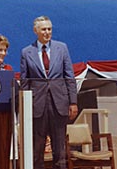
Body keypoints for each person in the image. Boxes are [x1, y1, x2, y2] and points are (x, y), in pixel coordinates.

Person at [20, 16, 78, 169]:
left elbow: (69, 76)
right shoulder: (27, 52)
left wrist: (73, 102)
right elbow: (25, 82)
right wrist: (25, 107)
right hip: (37, 106)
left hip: (59, 104)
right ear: (36, 31)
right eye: (44, 29)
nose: (47, 32)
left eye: (49, 29)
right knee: (37, 149)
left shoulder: (62, 48)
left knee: (59, 149)